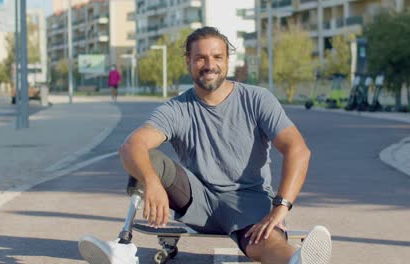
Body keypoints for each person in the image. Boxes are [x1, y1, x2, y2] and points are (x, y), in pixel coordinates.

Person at [79, 26, 332, 264]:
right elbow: (131, 146)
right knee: (146, 158)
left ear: (227, 61)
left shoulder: (257, 99)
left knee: (265, 240)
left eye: (217, 57)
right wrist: (152, 182)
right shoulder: (177, 108)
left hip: (248, 199)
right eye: (200, 58)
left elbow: (297, 150)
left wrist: (281, 207)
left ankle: (295, 260)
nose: (209, 65)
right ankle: (123, 246)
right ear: (188, 62)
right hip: (195, 200)